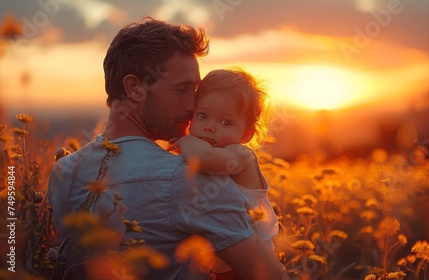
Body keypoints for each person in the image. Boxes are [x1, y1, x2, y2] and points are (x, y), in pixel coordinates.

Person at [48, 17, 287, 280]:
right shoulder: (189, 179)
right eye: (182, 89)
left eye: (195, 91)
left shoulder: (64, 172)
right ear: (135, 88)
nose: (192, 105)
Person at [170, 68, 279, 279]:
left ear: (246, 134)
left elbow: (203, 160)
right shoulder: (210, 148)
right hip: (222, 264)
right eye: (203, 116)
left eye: (225, 122)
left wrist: (185, 140)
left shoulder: (240, 156)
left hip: (248, 264)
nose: (210, 127)